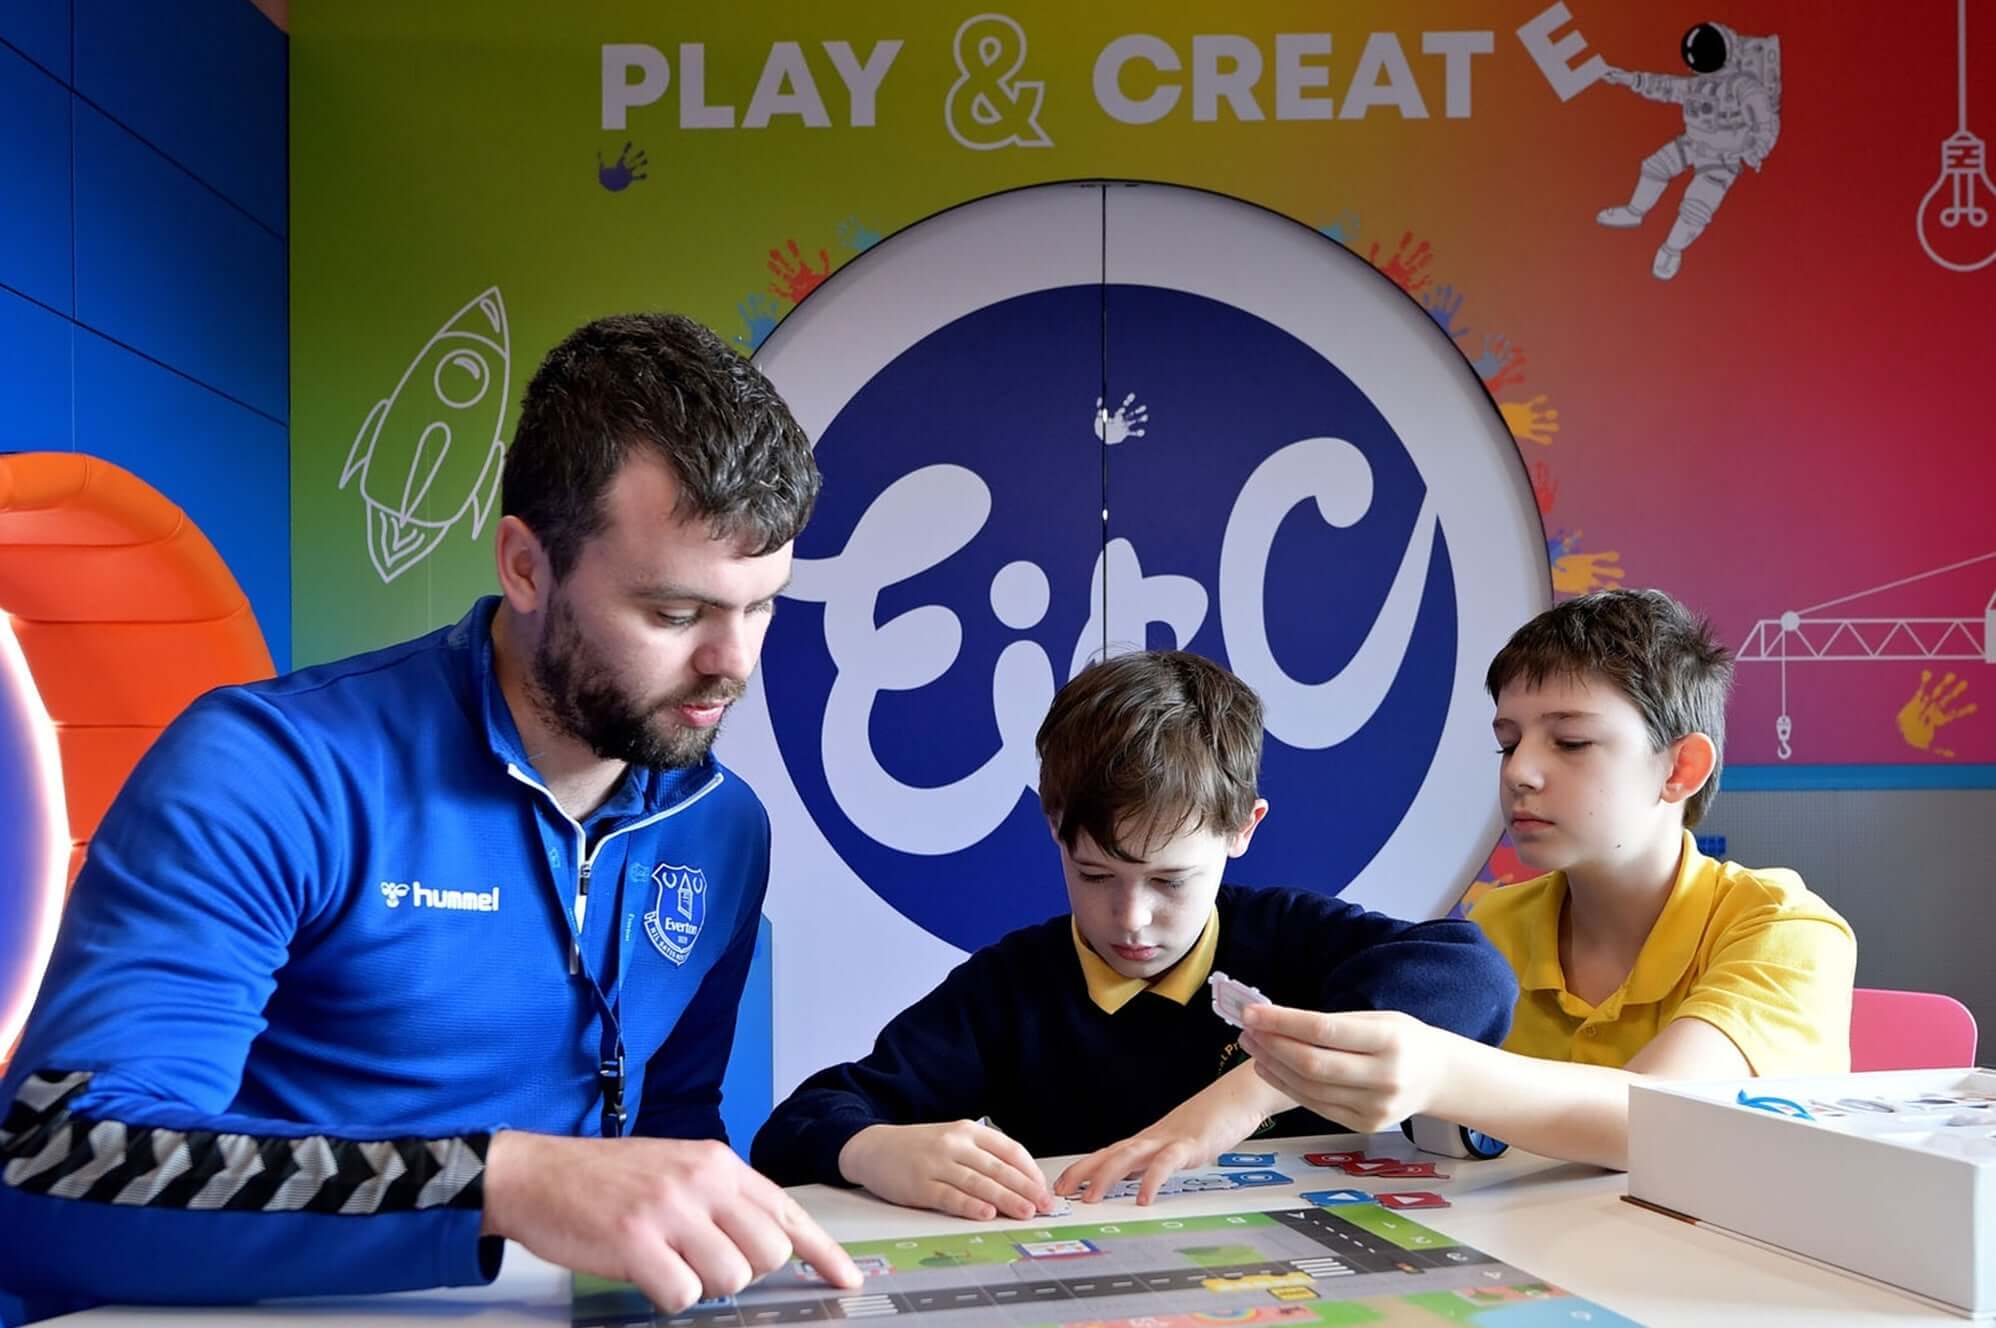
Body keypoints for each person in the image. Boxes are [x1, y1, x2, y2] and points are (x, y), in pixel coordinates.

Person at [0, 313, 861, 1323]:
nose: (734, 663)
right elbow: (51, 1172)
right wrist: (502, 1182)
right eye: (676, 614)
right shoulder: (273, 767)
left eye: (760, 606)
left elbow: (671, 1132)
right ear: (526, 566)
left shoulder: (722, 825)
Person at [750, 650, 1518, 1216]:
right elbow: (799, 1125)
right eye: (1095, 876)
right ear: (1054, 826)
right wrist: (874, 1149)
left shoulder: (1288, 936)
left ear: (1242, 829)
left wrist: (1254, 1091)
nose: (1132, 919)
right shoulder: (1010, 989)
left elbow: (1471, 973)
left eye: (1170, 881)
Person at [1240, 588, 1856, 1170]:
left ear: (1680, 767)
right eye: (1508, 744)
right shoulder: (1495, 929)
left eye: (1571, 741)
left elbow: (1663, 1119)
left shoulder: (1790, 932)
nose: (1521, 773)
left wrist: (1442, 1074)